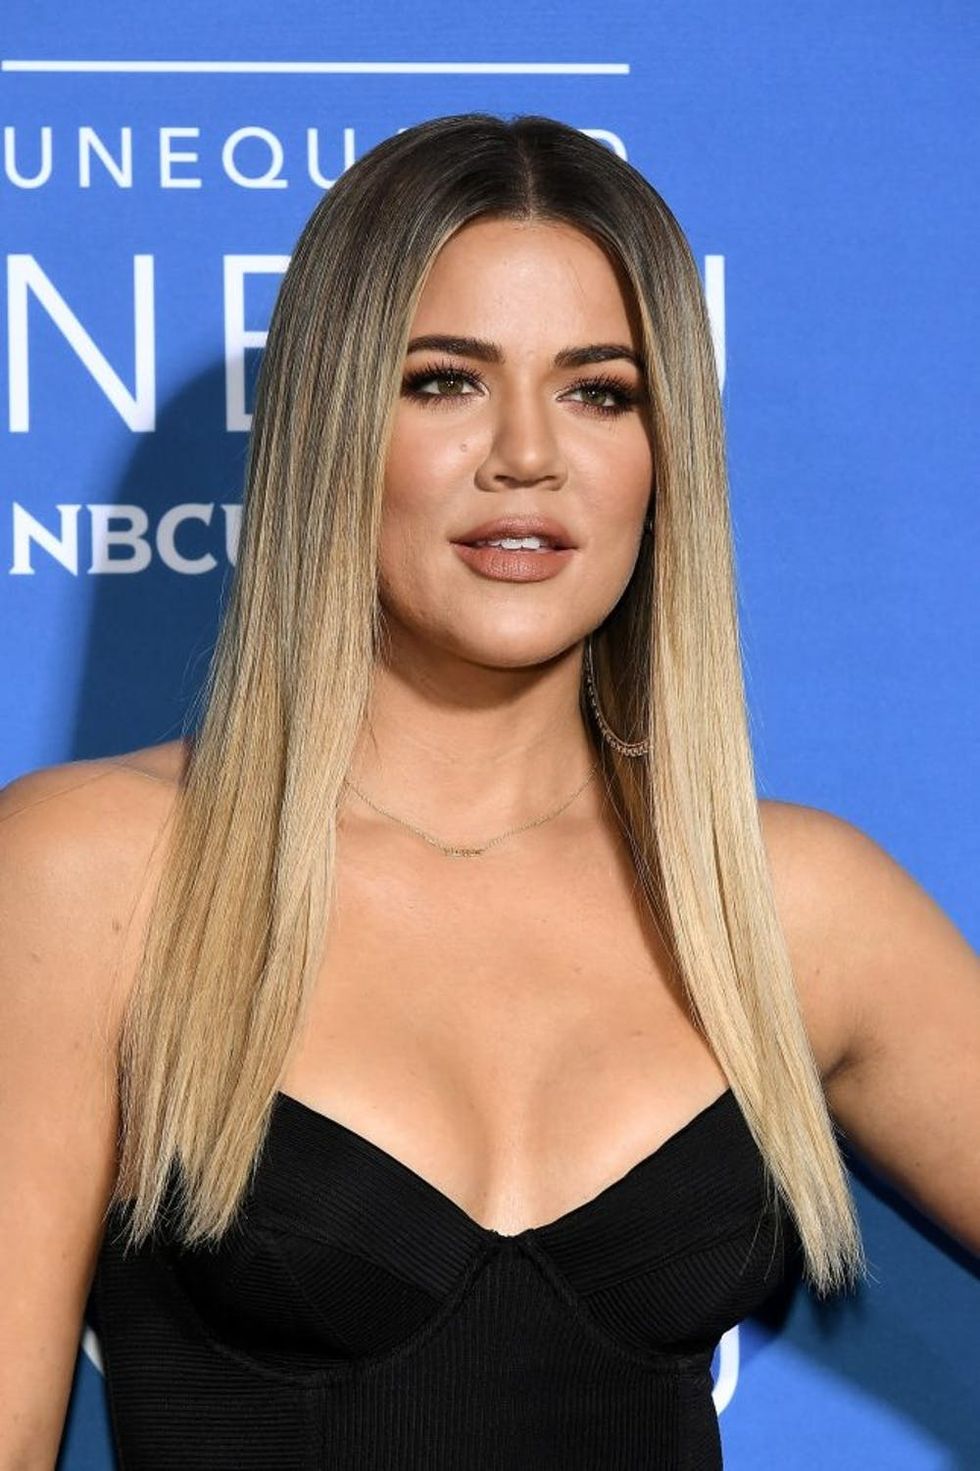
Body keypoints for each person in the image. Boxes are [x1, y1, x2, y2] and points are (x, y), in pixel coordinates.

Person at [1, 111, 977, 1470]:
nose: (528, 453)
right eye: (445, 381)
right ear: (333, 427)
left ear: (666, 455)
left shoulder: (784, 902)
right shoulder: (92, 871)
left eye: (602, 392)